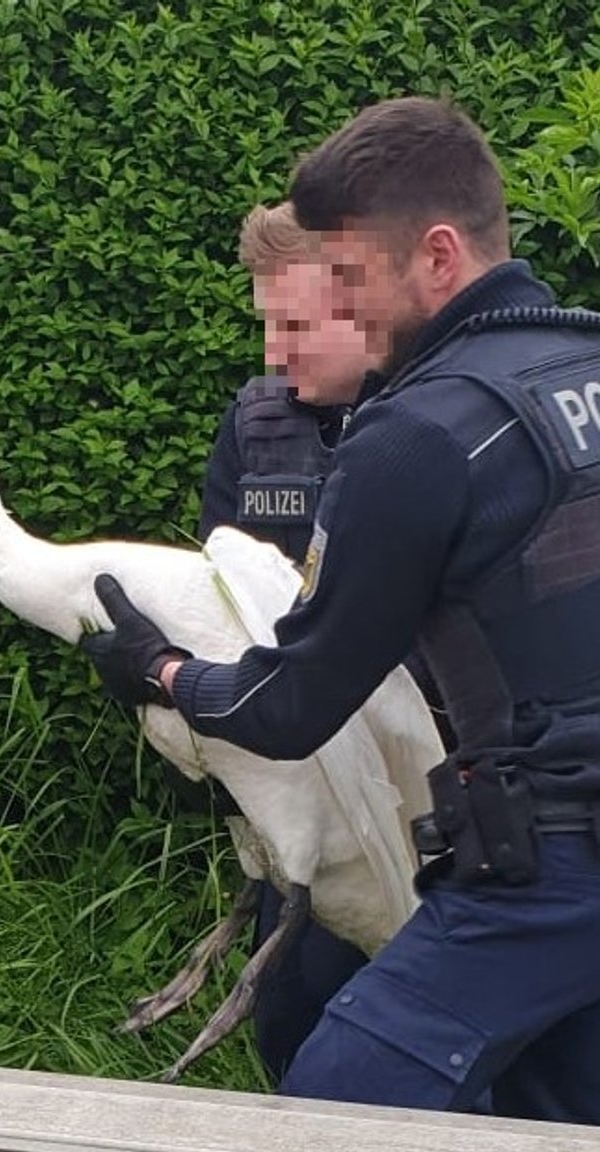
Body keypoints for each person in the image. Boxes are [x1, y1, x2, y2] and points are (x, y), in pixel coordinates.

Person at [81, 96, 600, 1127]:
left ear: (434, 255)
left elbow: (291, 704)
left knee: (332, 1115)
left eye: (347, 277)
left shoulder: (418, 433)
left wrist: (159, 672)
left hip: (547, 877)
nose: (342, 308)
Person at [193, 202, 401, 1087]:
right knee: (291, 1024)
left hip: (422, 798)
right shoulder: (254, 422)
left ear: (369, 303)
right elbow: (212, 591)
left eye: (297, 325)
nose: (276, 354)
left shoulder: (439, 426)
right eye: (266, 326)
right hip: (301, 783)